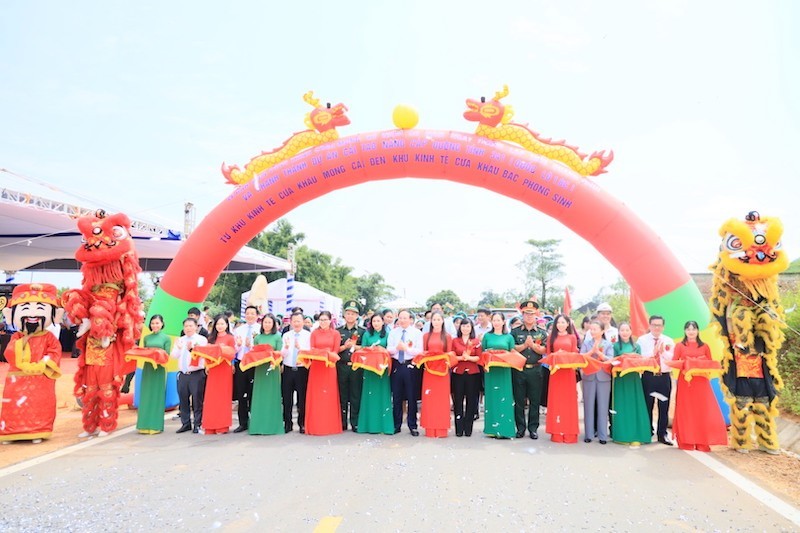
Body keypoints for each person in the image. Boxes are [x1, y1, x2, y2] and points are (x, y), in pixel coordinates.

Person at [0, 283, 63, 443]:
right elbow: (9, 353)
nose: (33, 314)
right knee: (14, 406)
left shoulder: (48, 337)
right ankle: (11, 432)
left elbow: (55, 353)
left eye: (40, 308)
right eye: (25, 308)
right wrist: (24, 341)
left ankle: (37, 430)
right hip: (17, 379)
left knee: (39, 404)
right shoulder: (17, 337)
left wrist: (42, 364)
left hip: (40, 378)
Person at [671, 321, 728, 452]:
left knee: (702, 410)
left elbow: (710, 363)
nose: (691, 331)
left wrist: (699, 363)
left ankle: (702, 441)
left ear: (698, 331)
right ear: (685, 331)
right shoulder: (679, 346)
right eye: (688, 329)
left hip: (702, 383)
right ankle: (686, 440)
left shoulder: (705, 346)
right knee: (686, 410)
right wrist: (686, 364)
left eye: (694, 329)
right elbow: (674, 361)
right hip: (686, 382)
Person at [610, 323, 651, 446]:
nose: (624, 332)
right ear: (619, 332)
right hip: (621, 379)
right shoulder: (616, 346)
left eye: (627, 330)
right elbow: (613, 362)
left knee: (634, 405)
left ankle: (637, 435)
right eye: (622, 330)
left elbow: (640, 362)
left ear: (631, 331)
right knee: (622, 406)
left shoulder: (637, 346)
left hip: (633, 379)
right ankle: (622, 435)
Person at [511, 300, 547, 439]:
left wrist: (533, 346)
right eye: (526, 313)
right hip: (519, 370)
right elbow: (512, 348)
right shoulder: (515, 331)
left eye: (531, 314)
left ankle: (533, 428)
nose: (529, 316)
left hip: (536, 370)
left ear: (536, 315)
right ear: (522, 314)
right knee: (519, 401)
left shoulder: (541, 333)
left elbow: (544, 349)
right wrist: (525, 346)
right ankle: (520, 428)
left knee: (534, 401)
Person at [638, 315, 675, 445]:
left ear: (663, 327)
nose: (656, 327)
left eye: (659, 325)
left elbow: (672, 360)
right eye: (654, 325)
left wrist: (662, 353)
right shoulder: (642, 340)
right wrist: (653, 353)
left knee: (663, 406)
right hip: (649, 377)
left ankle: (662, 434)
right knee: (647, 405)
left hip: (664, 377)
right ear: (649, 325)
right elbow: (640, 358)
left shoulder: (669, 341)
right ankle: (647, 431)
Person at [305, 310, 342, 435]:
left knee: (329, 396)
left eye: (325, 320)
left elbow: (335, 352)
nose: (323, 322)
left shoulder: (335, 334)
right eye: (321, 320)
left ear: (330, 320)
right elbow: (312, 349)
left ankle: (330, 425)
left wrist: (325, 353)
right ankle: (315, 426)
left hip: (329, 366)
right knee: (316, 396)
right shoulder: (314, 333)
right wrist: (321, 353)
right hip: (316, 367)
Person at [387, 309, 423, 436]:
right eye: (400, 318)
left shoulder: (417, 333)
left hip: (411, 365)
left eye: (405, 318)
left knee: (411, 397)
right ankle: (396, 425)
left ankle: (412, 425)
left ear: (410, 319)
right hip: (397, 365)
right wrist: (397, 348)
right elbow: (388, 349)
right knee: (396, 397)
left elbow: (420, 351)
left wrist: (407, 348)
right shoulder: (393, 332)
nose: (402, 320)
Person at [356, 313, 394, 434]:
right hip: (369, 369)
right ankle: (368, 425)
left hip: (382, 370)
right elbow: (362, 350)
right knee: (369, 395)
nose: (376, 323)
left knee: (383, 395)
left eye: (378, 321)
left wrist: (382, 350)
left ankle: (385, 426)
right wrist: (370, 349)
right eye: (374, 321)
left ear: (383, 322)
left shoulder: (388, 334)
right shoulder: (367, 334)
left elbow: (390, 350)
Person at [544, 314, 580, 443]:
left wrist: (565, 356)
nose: (560, 324)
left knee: (569, 402)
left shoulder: (572, 337)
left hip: (568, 372)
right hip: (556, 372)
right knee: (556, 402)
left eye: (563, 322)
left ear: (568, 324)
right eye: (558, 322)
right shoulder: (551, 338)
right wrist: (556, 356)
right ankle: (556, 432)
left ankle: (570, 432)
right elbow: (548, 355)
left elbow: (575, 354)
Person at [481, 312, 517, 438]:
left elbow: (512, 353)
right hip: (491, 371)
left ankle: (505, 429)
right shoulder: (487, 336)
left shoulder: (509, 337)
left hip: (504, 371)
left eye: (498, 320)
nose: (496, 322)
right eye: (494, 320)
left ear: (503, 322)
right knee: (491, 398)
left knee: (505, 398)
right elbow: (483, 352)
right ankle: (491, 429)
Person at [248, 313, 284, 435]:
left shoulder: (278, 337)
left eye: (270, 322)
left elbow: (279, 353)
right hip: (260, 370)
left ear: (274, 324)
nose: (267, 324)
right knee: (259, 396)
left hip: (272, 369)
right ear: (262, 324)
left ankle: (272, 426)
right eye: (265, 322)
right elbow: (254, 352)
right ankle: (257, 426)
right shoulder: (257, 338)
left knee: (272, 396)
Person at [418, 312, 454, 438]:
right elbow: (423, 352)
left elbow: (450, 354)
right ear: (430, 321)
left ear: (443, 321)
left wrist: (442, 360)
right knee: (429, 399)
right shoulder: (426, 336)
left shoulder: (447, 337)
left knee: (441, 400)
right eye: (434, 319)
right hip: (429, 371)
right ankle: (429, 428)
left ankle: (441, 428)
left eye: (439, 319)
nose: (436, 322)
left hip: (442, 372)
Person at [171, 318, 208, 434]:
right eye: (186, 326)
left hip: (196, 374)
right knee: (183, 400)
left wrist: (192, 349)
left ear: (196, 326)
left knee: (197, 400)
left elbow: (203, 355)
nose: (188, 328)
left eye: (191, 326)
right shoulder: (180, 340)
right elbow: (173, 356)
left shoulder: (201, 340)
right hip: (183, 374)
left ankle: (197, 424)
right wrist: (178, 347)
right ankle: (185, 423)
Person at [137, 315, 172, 435]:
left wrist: (157, 355)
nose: (155, 325)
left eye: (157, 323)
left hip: (159, 369)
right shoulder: (146, 338)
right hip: (147, 369)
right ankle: (143, 425)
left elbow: (167, 355)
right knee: (146, 395)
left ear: (162, 324)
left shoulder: (166, 338)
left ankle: (155, 425)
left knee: (157, 396)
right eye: (152, 323)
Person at [580, 320, 613, 444]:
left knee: (603, 406)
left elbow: (610, 359)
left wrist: (599, 353)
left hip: (603, 377)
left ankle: (602, 435)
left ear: (602, 331)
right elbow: (581, 357)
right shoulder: (587, 343)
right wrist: (591, 352)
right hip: (589, 376)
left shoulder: (608, 344)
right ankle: (588, 434)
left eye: (595, 329)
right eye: (591, 329)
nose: (593, 331)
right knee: (588, 406)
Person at [202, 315, 236, 434]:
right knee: (211, 397)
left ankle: (222, 426)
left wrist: (223, 350)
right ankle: (210, 425)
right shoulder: (211, 338)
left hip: (225, 368)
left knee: (223, 397)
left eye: (222, 324)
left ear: (227, 325)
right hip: (213, 369)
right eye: (218, 324)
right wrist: (207, 365)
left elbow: (232, 353)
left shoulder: (230, 338)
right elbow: (207, 353)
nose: (220, 326)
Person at [337, 300, 365, 432]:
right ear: (344, 315)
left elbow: (366, 348)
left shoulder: (362, 331)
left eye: (353, 314)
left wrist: (355, 346)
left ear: (357, 316)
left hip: (356, 367)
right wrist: (345, 346)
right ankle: (342, 422)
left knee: (355, 395)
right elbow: (334, 348)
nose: (350, 316)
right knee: (342, 395)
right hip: (341, 366)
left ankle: (355, 422)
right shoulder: (338, 331)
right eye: (348, 313)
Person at [452, 318, 482, 437]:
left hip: (473, 374)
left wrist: (469, 358)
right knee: (458, 401)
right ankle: (459, 428)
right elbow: (452, 356)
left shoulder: (476, 341)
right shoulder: (455, 341)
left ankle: (468, 428)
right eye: (463, 326)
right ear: (460, 328)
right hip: (458, 373)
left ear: (471, 328)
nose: (465, 328)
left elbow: (479, 357)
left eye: (468, 326)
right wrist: (461, 358)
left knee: (471, 401)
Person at [281, 312, 311, 433]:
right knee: (287, 398)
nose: (297, 323)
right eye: (294, 321)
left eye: (299, 321)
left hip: (302, 369)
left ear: (303, 322)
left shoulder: (308, 335)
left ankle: (302, 423)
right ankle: (287, 423)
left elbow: (310, 352)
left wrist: (301, 349)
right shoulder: (286, 335)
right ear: (291, 322)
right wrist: (286, 347)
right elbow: (282, 354)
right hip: (288, 369)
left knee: (302, 398)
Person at [233, 306, 260, 433]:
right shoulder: (238, 330)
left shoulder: (261, 329)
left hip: (255, 364)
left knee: (254, 393)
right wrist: (238, 346)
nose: (250, 316)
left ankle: (255, 420)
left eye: (252, 313)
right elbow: (234, 350)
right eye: (247, 313)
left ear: (257, 315)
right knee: (241, 394)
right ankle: (242, 422)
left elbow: (262, 348)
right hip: (241, 363)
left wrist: (252, 346)